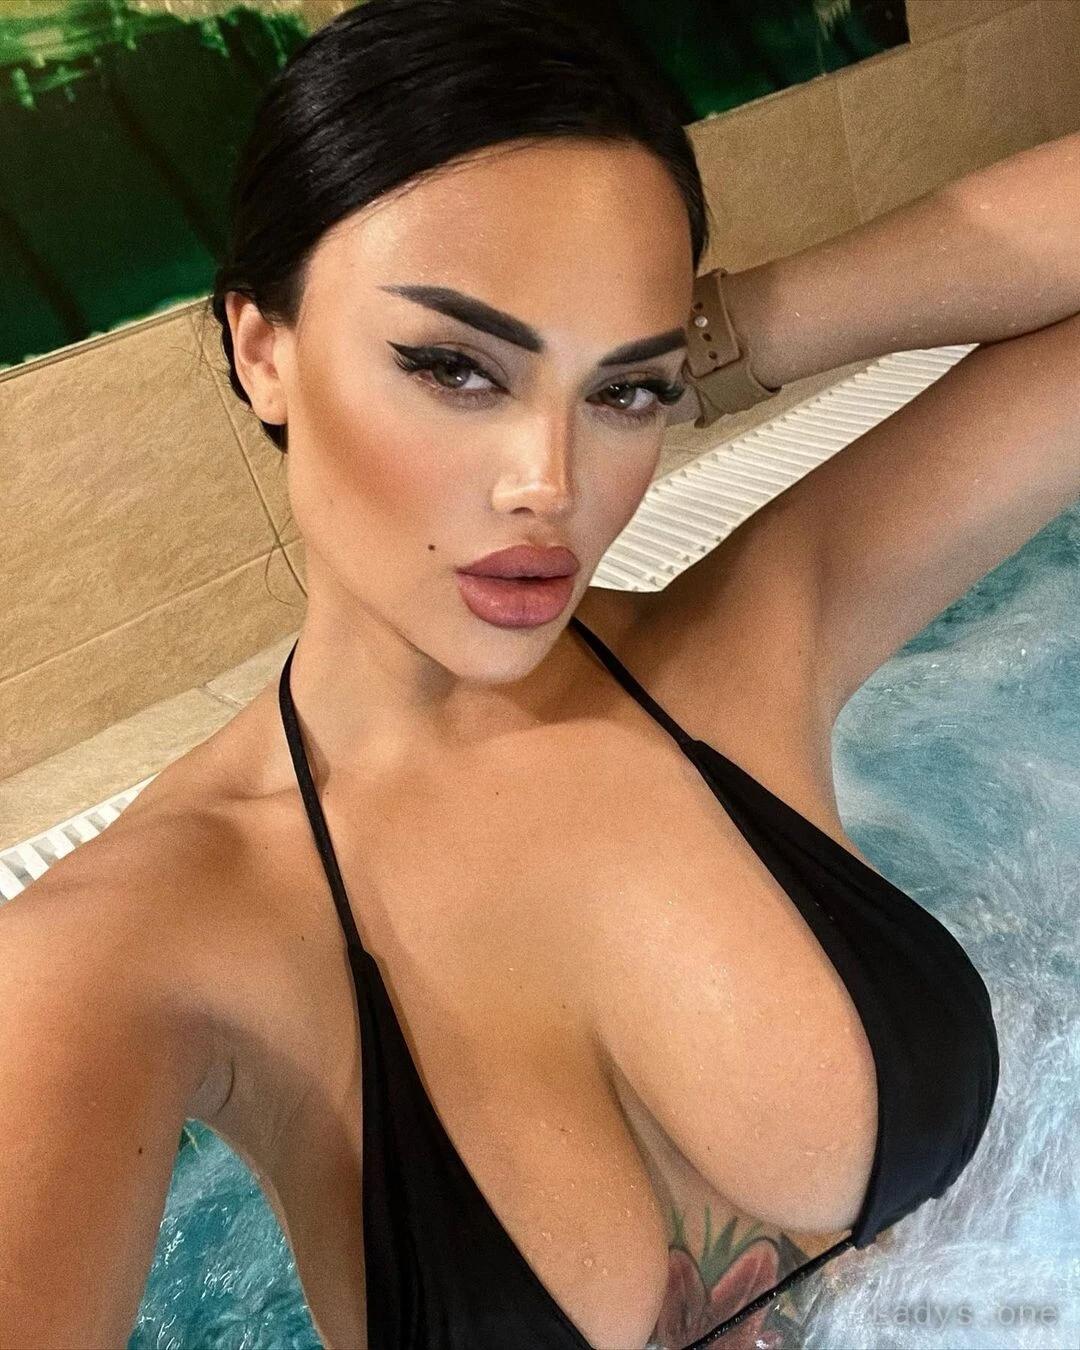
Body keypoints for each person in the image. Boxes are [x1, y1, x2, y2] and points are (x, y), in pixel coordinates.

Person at [8, 0, 1080, 1345]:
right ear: (261, 349)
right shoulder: (128, 947)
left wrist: (734, 333)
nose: (551, 485)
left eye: (622, 392)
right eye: (456, 368)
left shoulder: (738, 646)